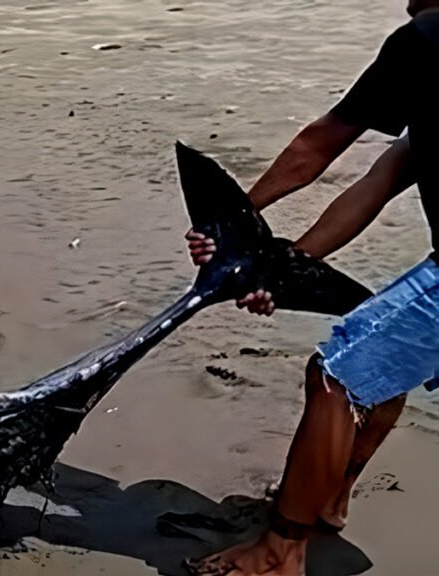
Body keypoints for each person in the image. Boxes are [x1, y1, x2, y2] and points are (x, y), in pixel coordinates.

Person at [186, 2, 439, 574]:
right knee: (381, 361)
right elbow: (377, 184)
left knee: (338, 374)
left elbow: (319, 145)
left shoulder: (425, 40)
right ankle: (327, 498)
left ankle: (281, 552)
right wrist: (275, 264)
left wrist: (229, 226)